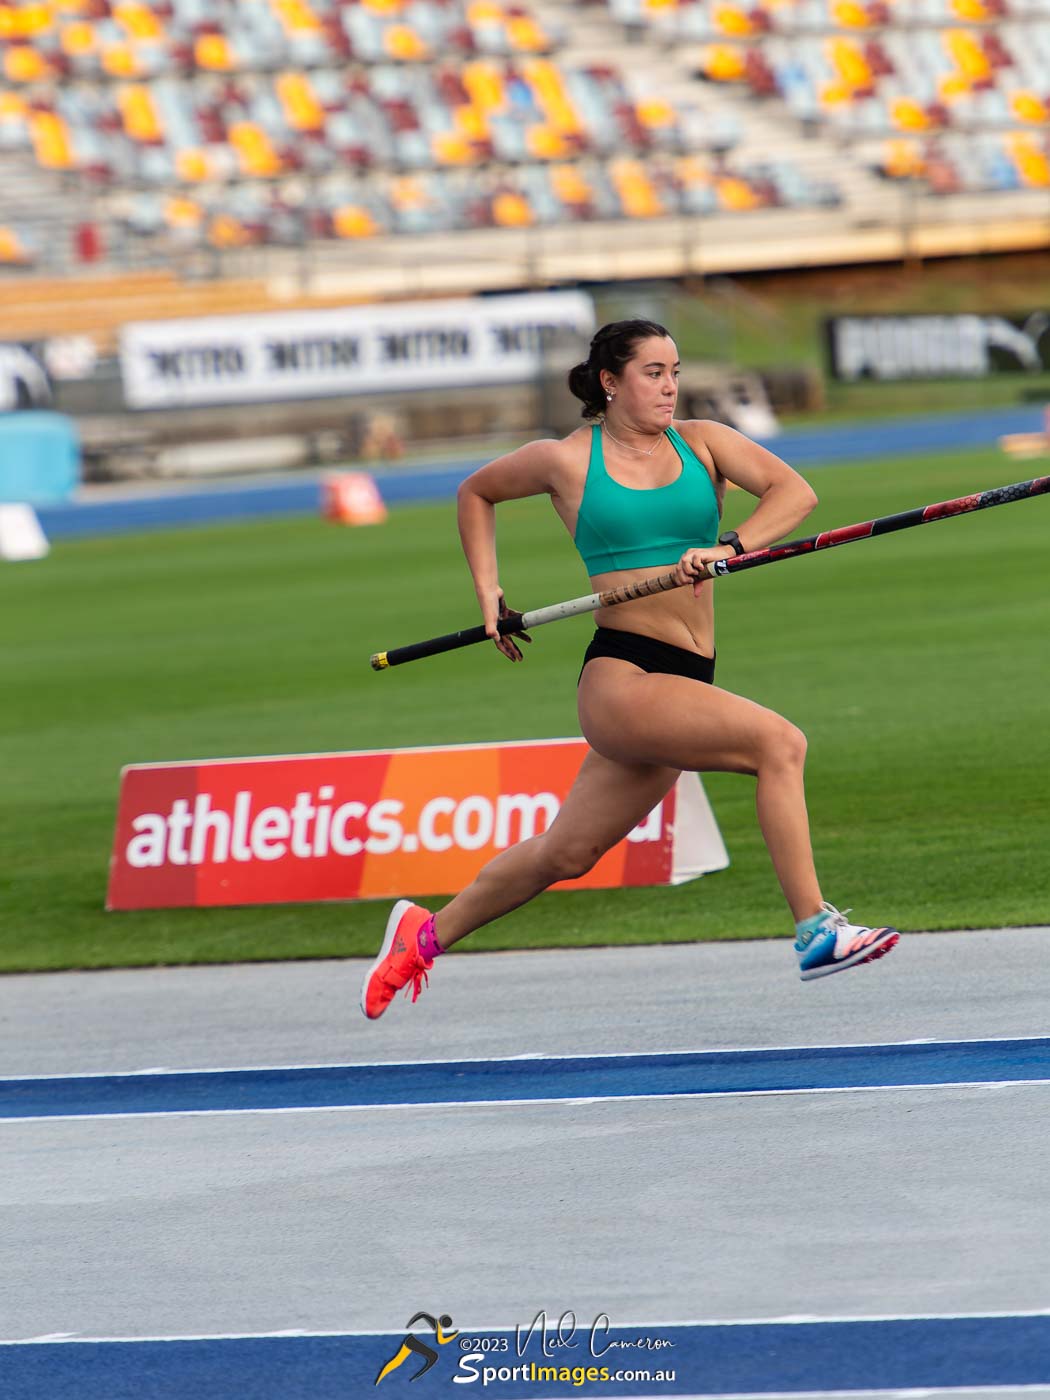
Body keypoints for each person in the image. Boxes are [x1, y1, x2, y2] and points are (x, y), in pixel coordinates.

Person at [360, 319, 898, 1020]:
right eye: (652, 372)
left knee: (567, 852)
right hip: (623, 678)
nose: (669, 385)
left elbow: (794, 494)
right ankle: (817, 929)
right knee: (779, 744)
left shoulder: (705, 442)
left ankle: (421, 937)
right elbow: (476, 492)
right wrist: (488, 591)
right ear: (610, 382)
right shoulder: (565, 461)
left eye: (674, 370)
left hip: (683, 675)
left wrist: (730, 544)